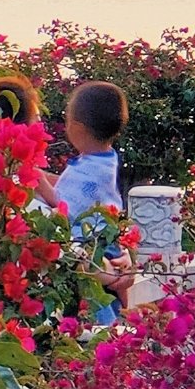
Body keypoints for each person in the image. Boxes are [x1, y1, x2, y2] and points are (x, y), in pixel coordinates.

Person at [42, 80, 134, 310]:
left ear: (78, 128)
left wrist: (34, 181)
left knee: (98, 308)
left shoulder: (88, 170)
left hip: (95, 251)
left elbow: (64, 207)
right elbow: (69, 186)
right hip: (109, 246)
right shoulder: (103, 159)